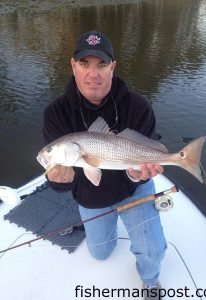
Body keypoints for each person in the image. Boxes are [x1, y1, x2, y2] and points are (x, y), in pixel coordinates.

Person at [43, 31, 166, 300]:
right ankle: (98, 225)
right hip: (92, 196)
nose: (93, 74)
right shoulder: (56, 113)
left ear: (113, 67)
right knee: (100, 253)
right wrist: (58, 180)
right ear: (73, 66)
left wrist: (139, 176)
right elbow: (60, 178)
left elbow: (147, 159)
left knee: (152, 249)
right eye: (84, 64)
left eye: (101, 65)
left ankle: (150, 281)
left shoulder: (138, 106)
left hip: (133, 191)